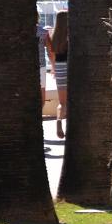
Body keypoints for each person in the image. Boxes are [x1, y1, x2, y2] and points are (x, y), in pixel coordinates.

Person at [49, 10, 70, 139]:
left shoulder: (53, 36)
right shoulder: (70, 35)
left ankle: (58, 120)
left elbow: (52, 54)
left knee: (62, 102)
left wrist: (54, 68)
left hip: (60, 67)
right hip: (71, 67)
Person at [36, 14, 52, 121]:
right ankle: (38, 116)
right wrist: (54, 66)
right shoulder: (44, 32)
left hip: (23, 69)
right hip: (41, 66)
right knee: (42, 94)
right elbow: (50, 52)